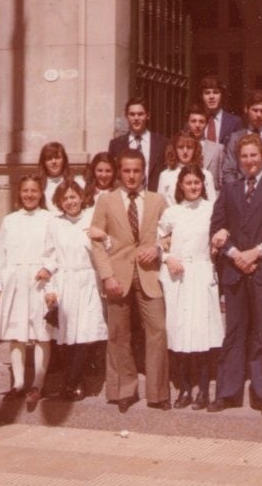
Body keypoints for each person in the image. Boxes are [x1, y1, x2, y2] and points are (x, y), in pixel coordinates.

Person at [209, 133, 262, 416]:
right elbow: (217, 229)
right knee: (233, 331)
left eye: (253, 155)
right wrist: (235, 255)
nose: (249, 161)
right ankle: (227, 392)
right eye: (244, 156)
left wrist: (255, 253)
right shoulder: (229, 189)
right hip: (234, 270)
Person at [90, 149, 170, 413]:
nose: (132, 176)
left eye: (136, 170)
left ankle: (157, 393)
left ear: (144, 171)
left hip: (149, 275)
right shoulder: (106, 201)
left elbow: (171, 233)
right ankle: (123, 390)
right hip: (117, 276)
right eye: (126, 170)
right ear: (119, 172)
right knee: (118, 334)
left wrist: (158, 248)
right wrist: (107, 276)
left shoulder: (158, 200)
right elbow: (97, 241)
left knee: (157, 330)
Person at [157, 165, 224, 411]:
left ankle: (204, 390)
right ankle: (184, 388)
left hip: (202, 272)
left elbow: (221, 233)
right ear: (180, 186)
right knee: (180, 332)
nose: (193, 187)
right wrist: (167, 258)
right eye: (188, 183)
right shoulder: (172, 212)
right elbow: (158, 239)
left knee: (201, 333)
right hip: (177, 277)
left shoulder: (211, 209)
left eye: (197, 182)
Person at [0, 174, 54, 404]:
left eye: (34, 190)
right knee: (16, 333)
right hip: (15, 281)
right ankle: (18, 383)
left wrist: (48, 268)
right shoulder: (11, 220)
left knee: (40, 334)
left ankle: (38, 384)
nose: (29, 195)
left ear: (41, 193)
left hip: (39, 282)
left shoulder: (48, 219)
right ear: (19, 193)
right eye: (25, 190)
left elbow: (56, 251)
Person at [40, 179, 108, 401]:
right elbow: (49, 256)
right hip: (65, 281)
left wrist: (103, 237)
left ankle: (72, 381)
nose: (70, 201)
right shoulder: (54, 224)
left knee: (86, 334)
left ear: (81, 197)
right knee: (67, 334)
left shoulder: (91, 218)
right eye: (65, 198)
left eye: (73, 196)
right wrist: (49, 288)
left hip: (88, 280)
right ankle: (72, 382)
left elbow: (107, 246)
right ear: (59, 202)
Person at [222, 90, 262, 185]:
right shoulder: (235, 137)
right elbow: (228, 170)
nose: (259, 115)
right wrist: (237, 192)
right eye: (255, 110)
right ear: (246, 109)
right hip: (241, 190)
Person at [108, 97, 168, 192]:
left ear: (148, 115)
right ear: (126, 116)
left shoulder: (162, 143)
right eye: (132, 114)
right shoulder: (116, 144)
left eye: (140, 114)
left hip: (152, 198)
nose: (136, 118)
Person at [157, 132, 217, 206]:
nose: (185, 151)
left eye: (189, 147)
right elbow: (160, 205)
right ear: (174, 149)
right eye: (181, 147)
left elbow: (212, 203)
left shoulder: (206, 174)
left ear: (195, 149)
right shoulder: (165, 175)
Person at [38, 142, 85, 215]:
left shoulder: (77, 181)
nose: (54, 161)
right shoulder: (38, 184)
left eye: (57, 157)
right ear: (44, 162)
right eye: (49, 158)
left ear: (64, 160)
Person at [186, 103, 224, 190]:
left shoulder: (218, 149)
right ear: (188, 123)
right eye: (193, 121)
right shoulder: (180, 148)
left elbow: (221, 182)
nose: (197, 125)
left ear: (207, 124)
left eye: (201, 121)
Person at [200, 75, 244, 147]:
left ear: (222, 95)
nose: (211, 97)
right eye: (207, 93)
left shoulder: (235, 122)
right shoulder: (194, 121)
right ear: (201, 96)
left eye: (216, 92)